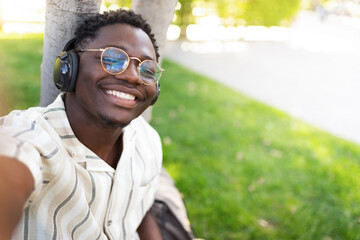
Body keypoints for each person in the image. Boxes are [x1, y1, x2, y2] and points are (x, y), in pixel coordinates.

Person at [0, 9, 164, 240]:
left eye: (147, 69)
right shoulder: (29, 138)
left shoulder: (148, 141)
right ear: (70, 67)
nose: (133, 76)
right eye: (113, 59)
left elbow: (140, 210)